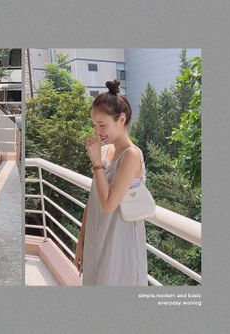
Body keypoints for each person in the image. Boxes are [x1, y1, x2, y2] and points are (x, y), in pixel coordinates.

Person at [75, 79, 148, 286]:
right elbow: (93, 200)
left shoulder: (132, 155)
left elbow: (108, 204)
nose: (97, 131)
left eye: (102, 125)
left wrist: (96, 163)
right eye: (94, 125)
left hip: (120, 242)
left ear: (122, 119)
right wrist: (81, 243)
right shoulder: (106, 151)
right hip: (97, 237)